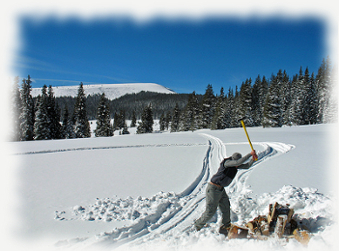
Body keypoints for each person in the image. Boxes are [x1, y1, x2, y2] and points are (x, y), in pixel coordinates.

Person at [194, 150, 258, 236]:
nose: (238, 165)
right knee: (210, 211)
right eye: (236, 162)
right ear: (233, 160)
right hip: (213, 189)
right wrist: (250, 154)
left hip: (221, 189)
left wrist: (252, 160)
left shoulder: (235, 166)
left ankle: (225, 227)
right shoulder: (227, 163)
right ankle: (197, 226)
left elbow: (246, 166)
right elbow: (239, 162)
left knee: (226, 208)